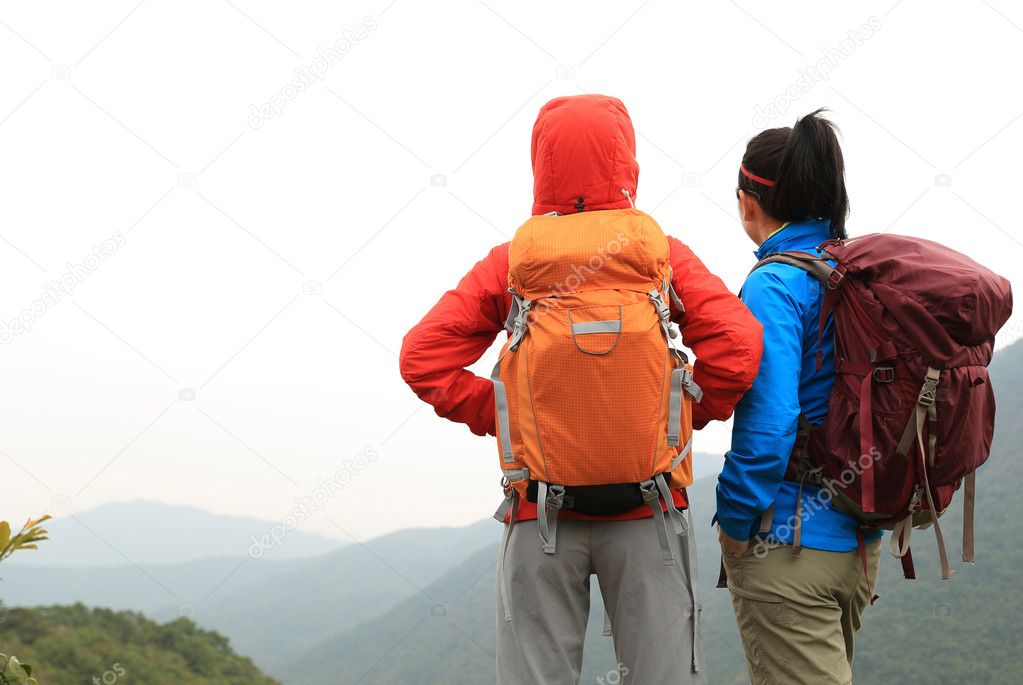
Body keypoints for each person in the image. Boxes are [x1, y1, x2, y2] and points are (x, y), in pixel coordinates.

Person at [400, 94, 762, 685]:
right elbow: (740, 346)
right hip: (650, 511)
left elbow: (422, 359)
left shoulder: (514, 262)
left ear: (540, 163)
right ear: (628, 161)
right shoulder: (657, 254)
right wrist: (680, 414)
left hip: (539, 512)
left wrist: (512, 418)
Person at [716, 109, 884, 684]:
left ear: (748, 202)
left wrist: (735, 523)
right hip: (860, 543)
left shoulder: (773, 284)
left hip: (788, 547)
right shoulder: (855, 273)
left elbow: (770, 425)